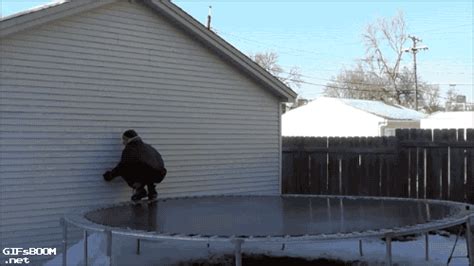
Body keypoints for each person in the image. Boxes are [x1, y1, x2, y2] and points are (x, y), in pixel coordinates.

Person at [103, 129, 167, 201]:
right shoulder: (148, 147)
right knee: (148, 168)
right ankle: (152, 192)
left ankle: (140, 190)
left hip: (147, 175)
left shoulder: (130, 149)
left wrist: (110, 175)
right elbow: (158, 161)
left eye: (124, 139)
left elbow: (122, 166)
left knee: (125, 170)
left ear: (128, 139)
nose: (123, 142)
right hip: (160, 174)